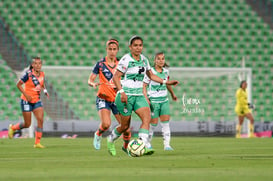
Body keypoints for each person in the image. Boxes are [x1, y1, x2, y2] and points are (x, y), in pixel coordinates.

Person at [106, 35, 179, 156]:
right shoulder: (126, 59)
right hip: (126, 96)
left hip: (139, 96)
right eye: (135, 45)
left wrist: (166, 82)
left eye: (140, 45)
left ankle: (142, 145)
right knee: (124, 126)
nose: (138, 48)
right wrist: (121, 92)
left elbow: (151, 76)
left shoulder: (144, 60)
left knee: (147, 119)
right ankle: (110, 140)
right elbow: (116, 77)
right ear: (130, 47)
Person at [88, 39, 131, 151]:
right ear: (106, 50)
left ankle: (125, 148)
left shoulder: (121, 64)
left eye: (114, 49)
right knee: (106, 124)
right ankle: (98, 134)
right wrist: (93, 84)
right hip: (103, 98)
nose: (112, 51)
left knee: (125, 128)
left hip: (117, 99)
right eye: (110, 49)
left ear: (117, 50)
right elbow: (90, 79)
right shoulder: (100, 64)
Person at [8, 57, 49, 148]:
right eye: (36, 63)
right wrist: (26, 95)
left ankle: (37, 143)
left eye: (39, 63)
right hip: (26, 101)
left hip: (36, 100)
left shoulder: (42, 74)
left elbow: (42, 83)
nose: (38, 65)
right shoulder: (28, 75)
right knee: (27, 124)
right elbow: (18, 84)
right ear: (33, 65)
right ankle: (13, 128)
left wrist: (45, 91)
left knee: (40, 120)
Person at [143, 52, 177, 151]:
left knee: (165, 123)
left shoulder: (166, 72)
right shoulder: (150, 72)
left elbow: (167, 84)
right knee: (153, 124)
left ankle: (167, 145)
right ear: (155, 61)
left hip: (164, 100)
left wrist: (172, 94)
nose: (161, 61)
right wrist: (146, 99)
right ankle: (147, 143)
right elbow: (144, 86)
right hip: (153, 101)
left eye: (163, 59)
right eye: (159, 59)